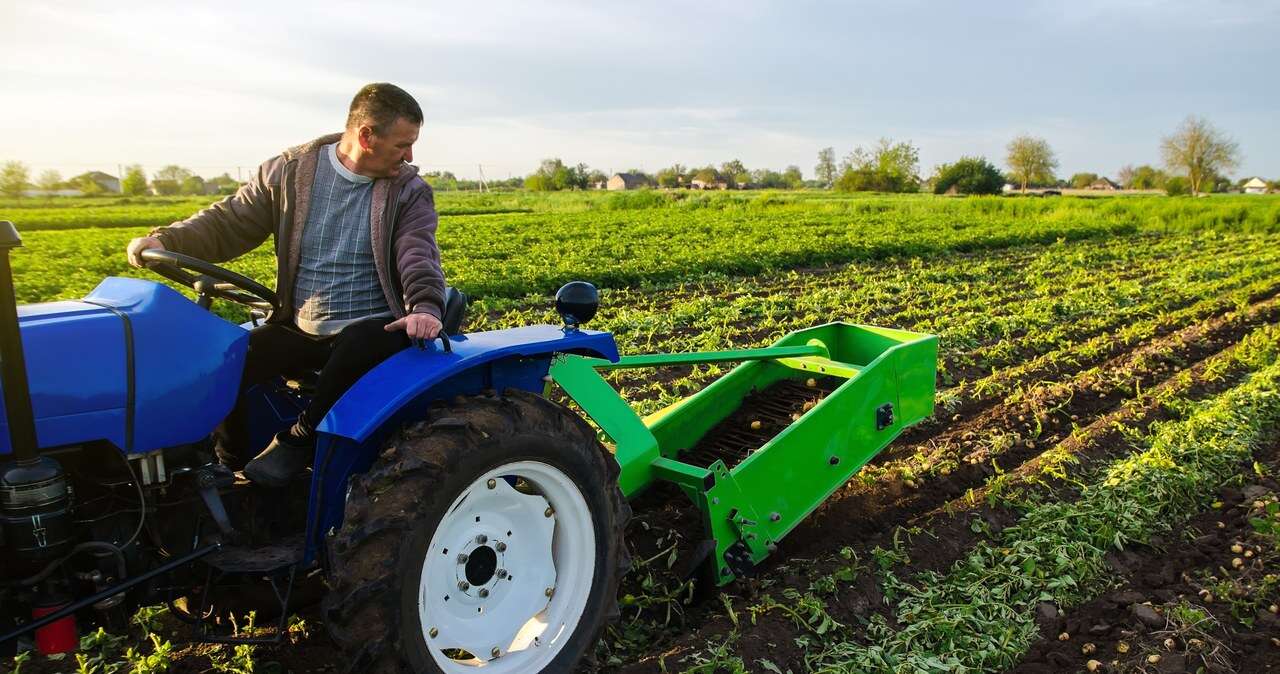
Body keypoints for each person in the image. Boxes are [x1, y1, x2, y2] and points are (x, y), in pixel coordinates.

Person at [126, 83, 445, 487]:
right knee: (230, 360)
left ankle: (300, 440)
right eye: (403, 144)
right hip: (302, 324)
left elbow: (417, 252)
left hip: (374, 325)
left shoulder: (408, 192)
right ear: (366, 136)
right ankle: (229, 466)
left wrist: (424, 307)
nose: (410, 156)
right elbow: (231, 220)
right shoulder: (291, 172)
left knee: (360, 344)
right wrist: (167, 240)